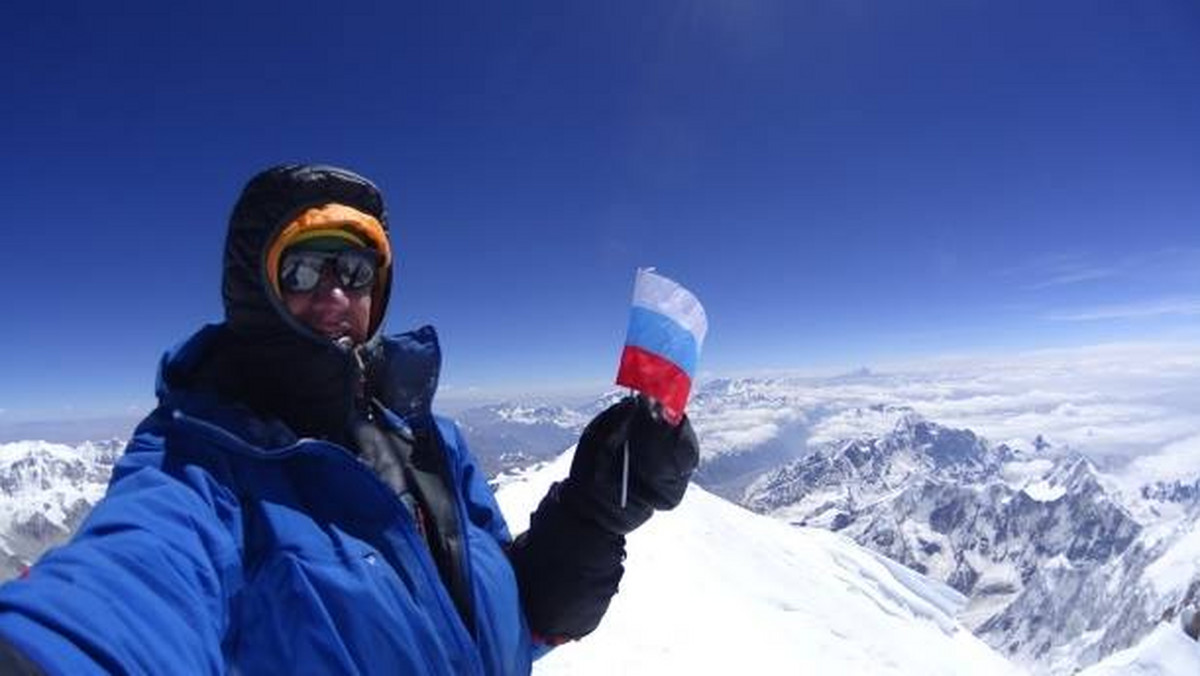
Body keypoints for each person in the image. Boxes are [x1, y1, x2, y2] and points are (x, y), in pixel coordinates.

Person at [0, 164, 699, 675]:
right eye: (303, 270)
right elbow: (127, 591)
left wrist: (595, 513)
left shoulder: (430, 440)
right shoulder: (199, 462)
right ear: (257, 288)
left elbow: (514, 618)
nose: (336, 293)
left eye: (356, 271)